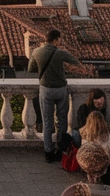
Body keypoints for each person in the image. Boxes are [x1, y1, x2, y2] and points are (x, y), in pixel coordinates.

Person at [27, 29, 81, 162]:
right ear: (55, 40)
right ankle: (61, 148)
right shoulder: (59, 53)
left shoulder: (37, 52)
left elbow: (31, 69)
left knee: (47, 122)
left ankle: (48, 151)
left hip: (46, 89)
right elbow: (75, 61)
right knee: (62, 120)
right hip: (61, 89)